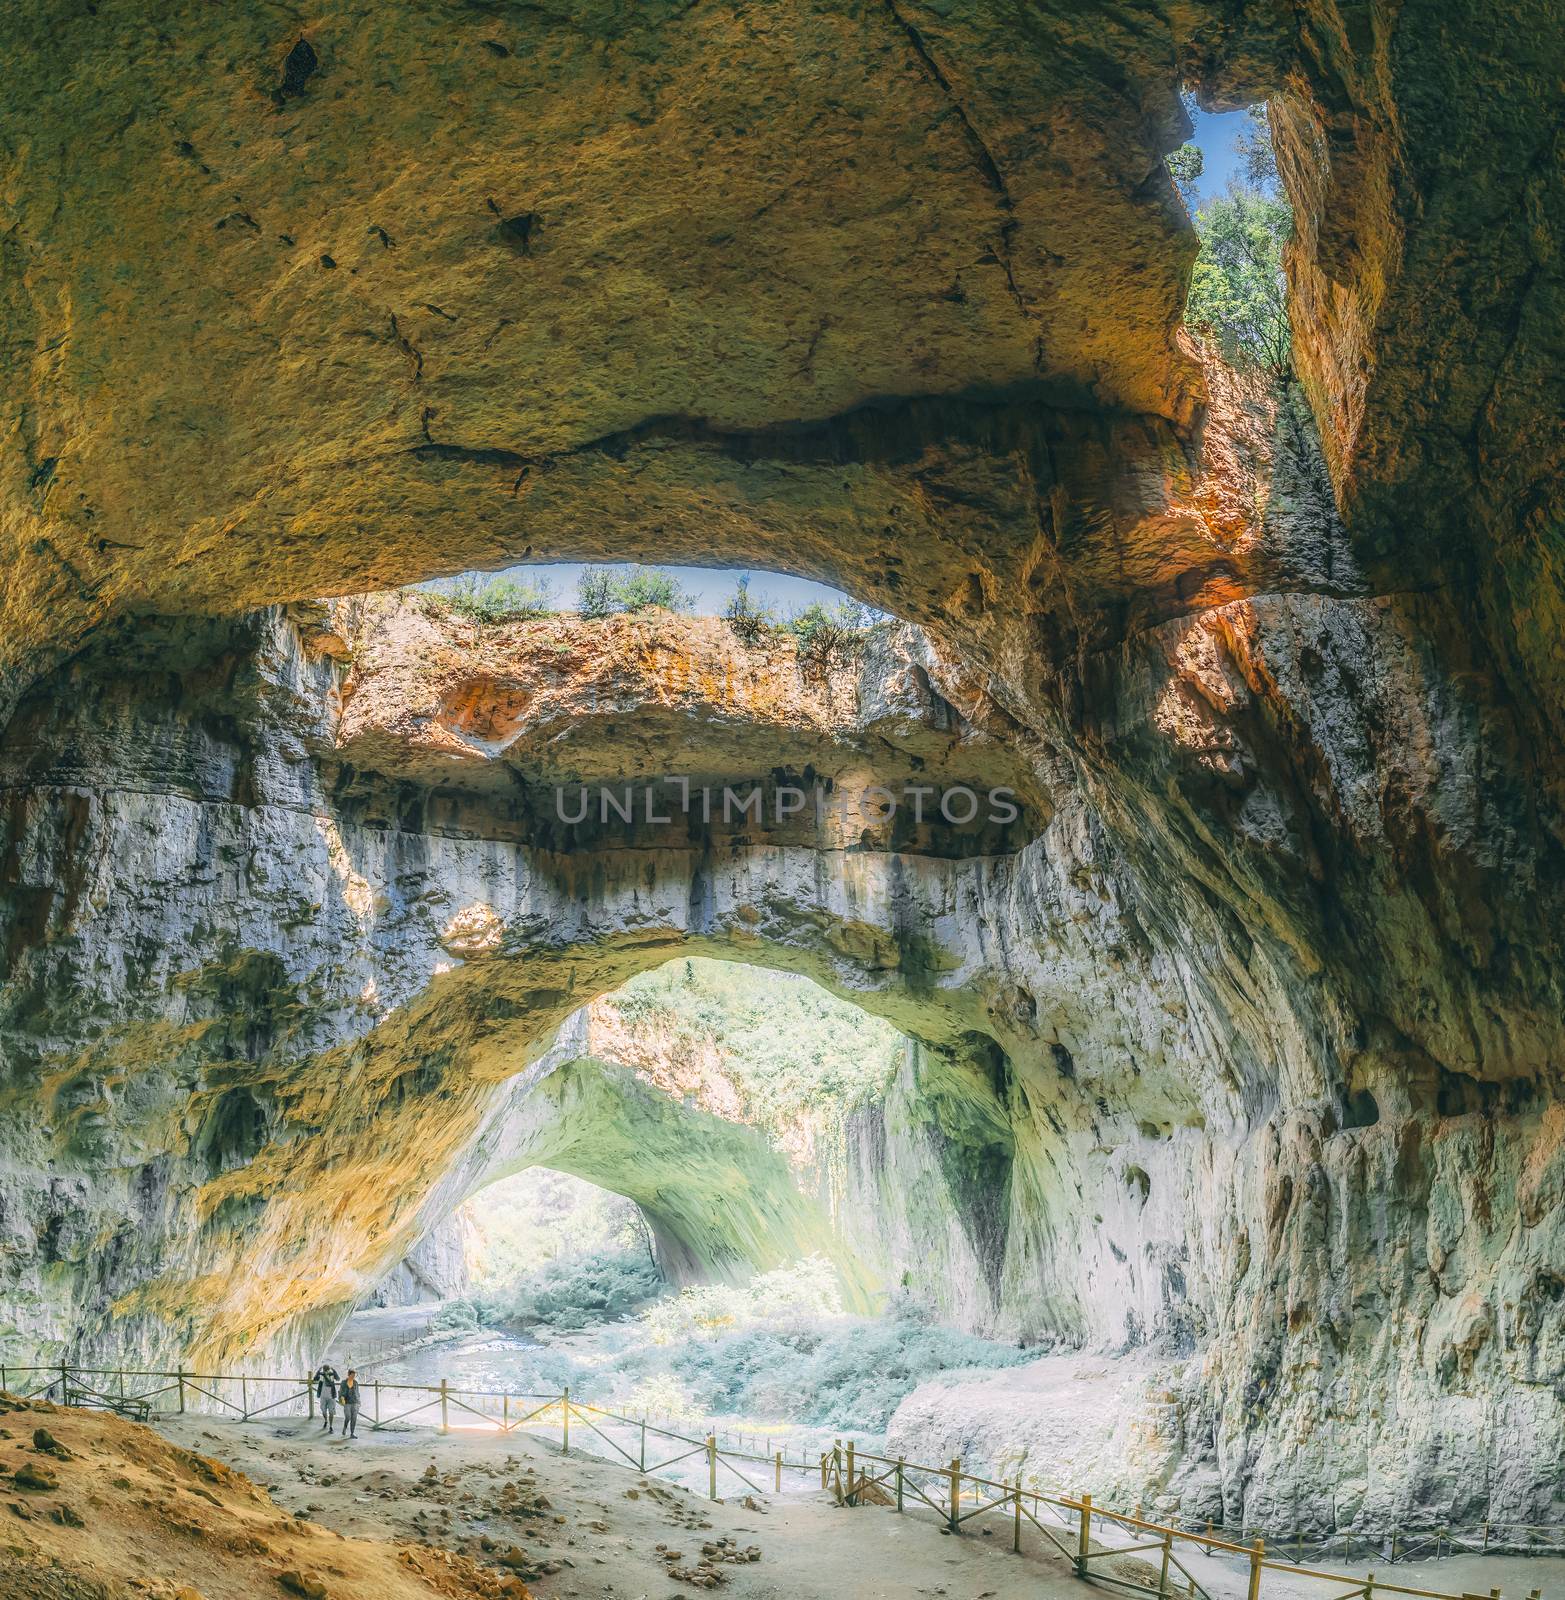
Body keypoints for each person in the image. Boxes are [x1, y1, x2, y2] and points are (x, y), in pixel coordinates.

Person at [311, 1363, 339, 1433]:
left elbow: (338, 1379)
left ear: (329, 1370)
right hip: (323, 1397)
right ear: (323, 1370)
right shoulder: (321, 1376)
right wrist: (318, 1371)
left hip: (331, 1397)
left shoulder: (331, 1375)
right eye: (325, 1370)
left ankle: (331, 1426)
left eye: (327, 1370)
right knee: (323, 1411)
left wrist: (334, 1370)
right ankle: (326, 1421)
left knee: (331, 1412)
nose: (326, 1371)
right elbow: (314, 1379)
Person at [338, 1368, 362, 1439]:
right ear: (349, 1375)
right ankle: (345, 1427)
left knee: (354, 1418)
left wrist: (359, 1402)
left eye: (354, 1375)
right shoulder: (343, 1382)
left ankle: (352, 1433)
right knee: (348, 1417)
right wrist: (342, 1398)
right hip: (347, 1402)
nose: (353, 1377)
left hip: (355, 1402)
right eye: (352, 1375)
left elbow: (358, 1393)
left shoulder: (355, 1383)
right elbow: (341, 1392)